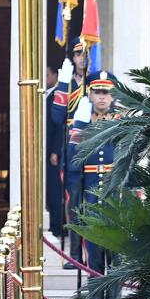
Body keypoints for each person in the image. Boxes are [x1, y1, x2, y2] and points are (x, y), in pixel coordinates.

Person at [71, 71, 121, 299]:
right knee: (94, 263)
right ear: (89, 95)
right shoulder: (81, 124)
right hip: (91, 205)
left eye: (106, 93)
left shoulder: (121, 123)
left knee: (116, 262)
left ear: (113, 96)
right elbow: (73, 168)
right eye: (97, 92)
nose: (102, 97)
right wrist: (76, 205)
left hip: (116, 204)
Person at [48, 39, 89, 244]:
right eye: (78, 54)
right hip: (72, 145)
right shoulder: (68, 82)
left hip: (94, 145)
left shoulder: (96, 82)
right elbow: (57, 118)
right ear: (73, 57)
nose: (83, 58)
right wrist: (63, 84)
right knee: (72, 196)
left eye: (86, 53)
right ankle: (74, 247)